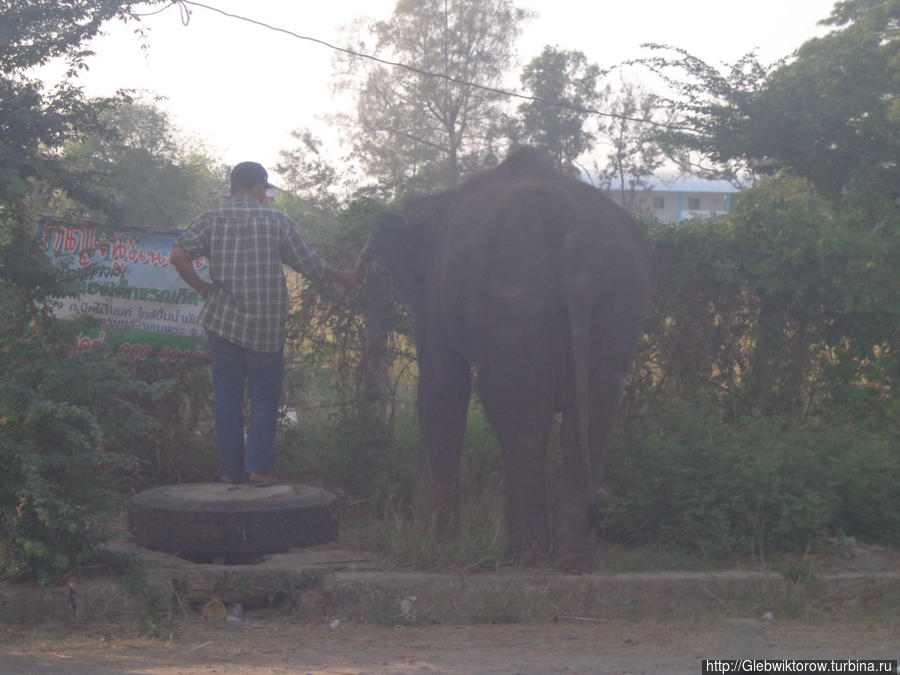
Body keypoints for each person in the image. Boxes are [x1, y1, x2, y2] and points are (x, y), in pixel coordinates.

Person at [170, 161, 359, 486]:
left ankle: (231, 472)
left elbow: (177, 256)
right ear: (260, 187)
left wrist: (201, 286)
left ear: (232, 189)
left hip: (222, 322)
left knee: (227, 397)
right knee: (264, 397)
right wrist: (342, 277)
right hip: (266, 327)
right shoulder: (278, 221)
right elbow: (310, 266)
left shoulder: (211, 220)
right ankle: (257, 469)